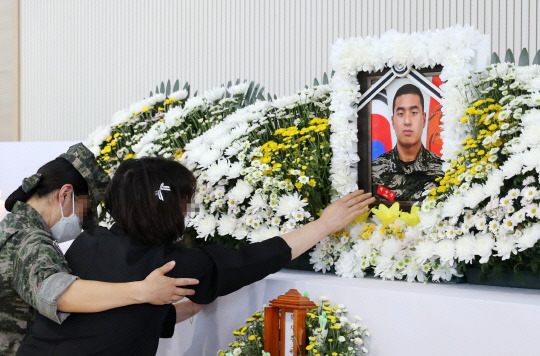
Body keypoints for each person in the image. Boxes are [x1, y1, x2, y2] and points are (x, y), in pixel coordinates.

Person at [17, 156, 375, 356]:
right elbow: (258, 258)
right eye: (185, 203)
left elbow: (117, 320)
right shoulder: (175, 266)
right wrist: (326, 224)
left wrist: (199, 298)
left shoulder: (88, 241)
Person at [0, 144, 198, 356]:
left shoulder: (17, 227)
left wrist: (190, 308)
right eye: (86, 210)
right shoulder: (29, 240)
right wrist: (144, 290)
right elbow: (59, 295)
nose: (84, 222)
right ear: (65, 194)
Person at [371, 83, 443, 201]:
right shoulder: (374, 170)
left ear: (424, 119)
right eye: (400, 114)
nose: (407, 121)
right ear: (393, 121)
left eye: (414, 113)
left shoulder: (443, 170)